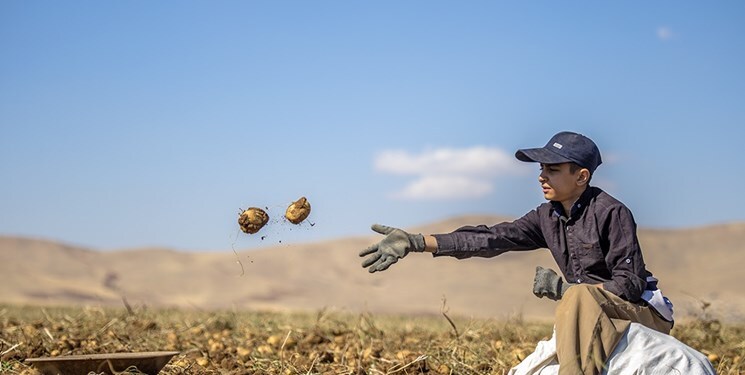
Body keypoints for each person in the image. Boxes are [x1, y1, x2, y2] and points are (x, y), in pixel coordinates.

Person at [359, 131, 674, 375]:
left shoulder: (612, 212)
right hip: (586, 310)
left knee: (576, 299)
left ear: (581, 177)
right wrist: (415, 241)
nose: (542, 176)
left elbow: (631, 284)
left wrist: (569, 291)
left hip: (640, 311)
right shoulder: (545, 217)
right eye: (541, 169)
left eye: (553, 169)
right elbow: (491, 238)